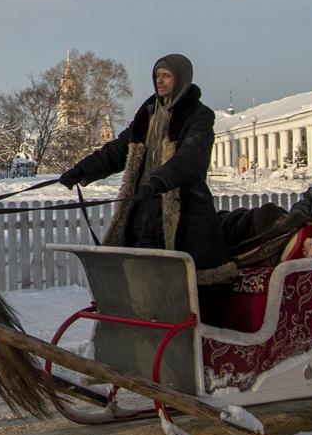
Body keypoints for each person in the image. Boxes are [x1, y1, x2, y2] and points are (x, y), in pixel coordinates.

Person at [57, 53, 224, 271]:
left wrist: (159, 180)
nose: (159, 80)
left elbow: (192, 157)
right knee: (138, 277)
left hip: (183, 215)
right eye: (157, 75)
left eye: (166, 75)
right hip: (143, 210)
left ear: (181, 78)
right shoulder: (148, 115)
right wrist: (81, 171)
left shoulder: (198, 116)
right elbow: (117, 151)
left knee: (179, 281)